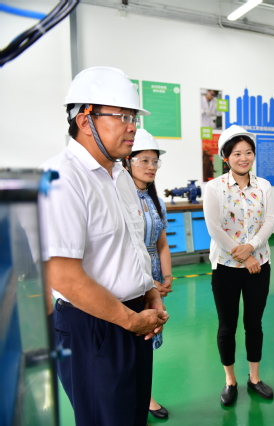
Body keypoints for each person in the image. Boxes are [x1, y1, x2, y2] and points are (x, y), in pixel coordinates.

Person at [40, 66, 169, 426]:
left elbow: (132, 247)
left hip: (134, 319)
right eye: (123, 117)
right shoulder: (61, 178)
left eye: (134, 118)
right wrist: (131, 320)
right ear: (85, 121)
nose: (133, 127)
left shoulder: (120, 176)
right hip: (93, 326)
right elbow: (64, 276)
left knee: (132, 416)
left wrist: (150, 294)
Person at [203, 124, 274, 406]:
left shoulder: (264, 186)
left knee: (254, 324)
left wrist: (253, 247)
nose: (243, 158)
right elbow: (214, 228)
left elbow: (269, 221)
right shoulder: (214, 187)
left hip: (260, 266)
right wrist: (245, 256)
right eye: (236, 153)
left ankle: (254, 378)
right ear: (226, 157)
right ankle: (230, 380)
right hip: (226, 268)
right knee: (227, 326)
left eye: (248, 152)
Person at [123, 129, 173, 419]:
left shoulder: (155, 201)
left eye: (155, 161)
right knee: (131, 336)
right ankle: (137, 397)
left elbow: (161, 243)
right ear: (127, 162)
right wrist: (147, 281)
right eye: (144, 160)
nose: (151, 166)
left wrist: (166, 277)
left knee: (148, 336)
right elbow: (125, 247)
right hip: (131, 276)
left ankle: (144, 393)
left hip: (153, 278)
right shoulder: (121, 198)